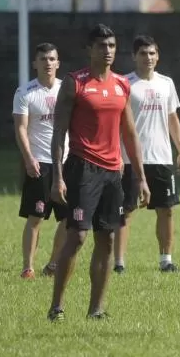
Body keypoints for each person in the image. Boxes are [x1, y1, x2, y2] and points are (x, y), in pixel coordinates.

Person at [47, 24, 150, 322]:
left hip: (113, 173)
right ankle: (57, 306)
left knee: (105, 239)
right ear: (89, 49)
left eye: (112, 46)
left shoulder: (121, 85)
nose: (108, 51)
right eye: (102, 46)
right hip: (81, 169)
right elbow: (59, 133)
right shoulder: (74, 83)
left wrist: (140, 178)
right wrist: (57, 176)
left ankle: (96, 309)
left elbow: (130, 134)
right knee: (78, 236)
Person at [113, 35, 180, 274]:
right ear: (134, 56)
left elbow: (172, 117)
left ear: (158, 56)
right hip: (130, 159)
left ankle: (166, 260)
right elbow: (115, 122)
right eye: (143, 53)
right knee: (127, 211)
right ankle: (119, 263)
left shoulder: (166, 83)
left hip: (161, 158)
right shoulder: (124, 83)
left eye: (152, 53)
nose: (148, 58)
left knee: (166, 209)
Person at [12, 43, 68, 279]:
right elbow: (21, 128)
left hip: (66, 163)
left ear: (58, 63)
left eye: (52, 58)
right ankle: (28, 267)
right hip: (40, 163)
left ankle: (53, 265)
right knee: (36, 217)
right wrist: (28, 159)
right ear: (35, 63)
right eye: (43, 59)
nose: (48, 63)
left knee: (69, 219)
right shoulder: (25, 92)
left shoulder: (67, 90)